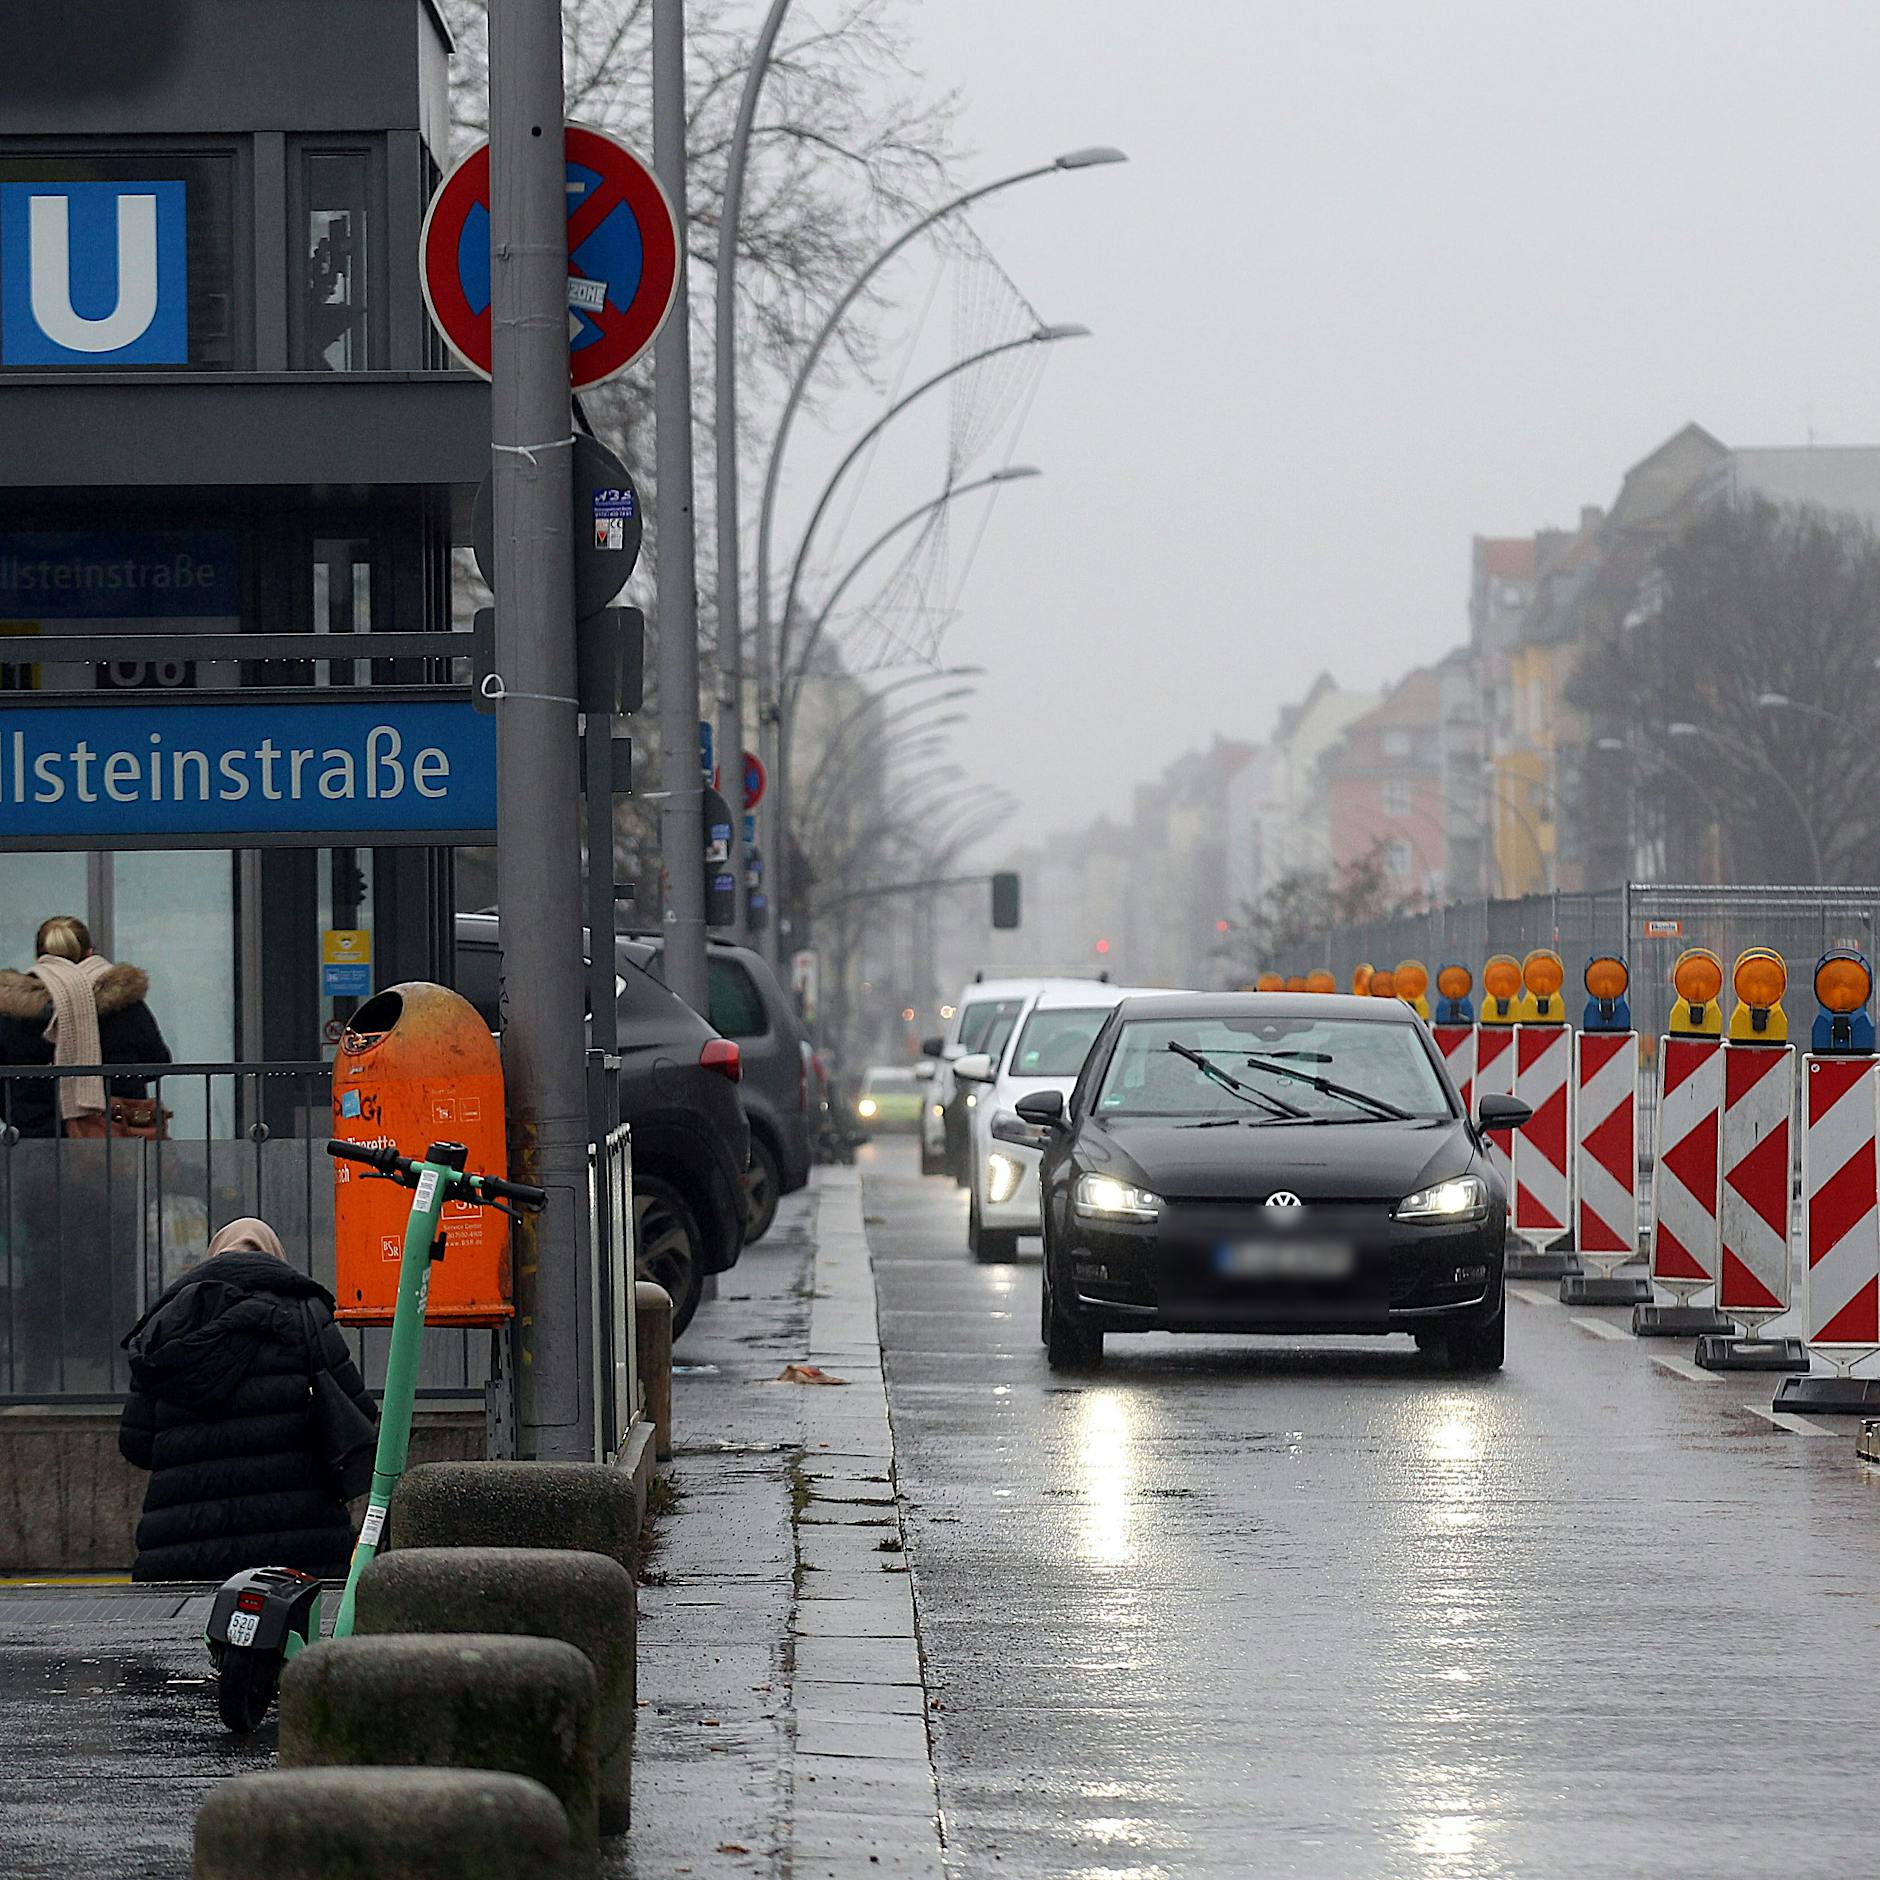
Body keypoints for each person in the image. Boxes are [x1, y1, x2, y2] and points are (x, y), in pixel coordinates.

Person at [118, 1218, 378, 1583]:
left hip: (185, 1542)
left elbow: (136, 1444)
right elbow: (358, 1416)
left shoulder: (165, 1321)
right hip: (297, 1537)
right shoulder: (306, 1314)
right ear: (275, 1255)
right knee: (296, 1635)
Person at [0, 915, 170, 1139]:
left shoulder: (13, 1009)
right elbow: (158, 1060)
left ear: (40, 957)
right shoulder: (125, 1005)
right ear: (89, 952)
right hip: (115, 1133)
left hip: (35, 1136)